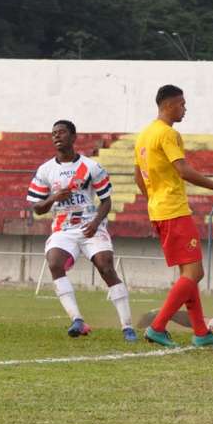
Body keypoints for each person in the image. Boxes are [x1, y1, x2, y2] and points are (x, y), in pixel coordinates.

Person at [134, 84, 213, 348]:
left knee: (190, 273)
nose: (184, 109)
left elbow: (138, 176)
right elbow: (183, 170)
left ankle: (201, 332)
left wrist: (154, 200)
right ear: (168, 105)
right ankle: (157, 327)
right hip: (174, 210)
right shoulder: (168, 134)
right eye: (181, 104)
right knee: (193, 272)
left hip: (159, 210)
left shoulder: (144, 135)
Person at [26, 120, 136, 341]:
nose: (57, 136)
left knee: (106, 267)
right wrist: (54, 197)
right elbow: (37, 208)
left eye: (62, 132)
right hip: (63, 229)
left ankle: (127, 327)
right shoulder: (46, 170)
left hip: (90, 226)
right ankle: (77, 320)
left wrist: (95, 223)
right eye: (54, 133)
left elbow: (106, 201)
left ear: (74, 137)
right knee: (55, 263)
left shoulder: (91, 167)